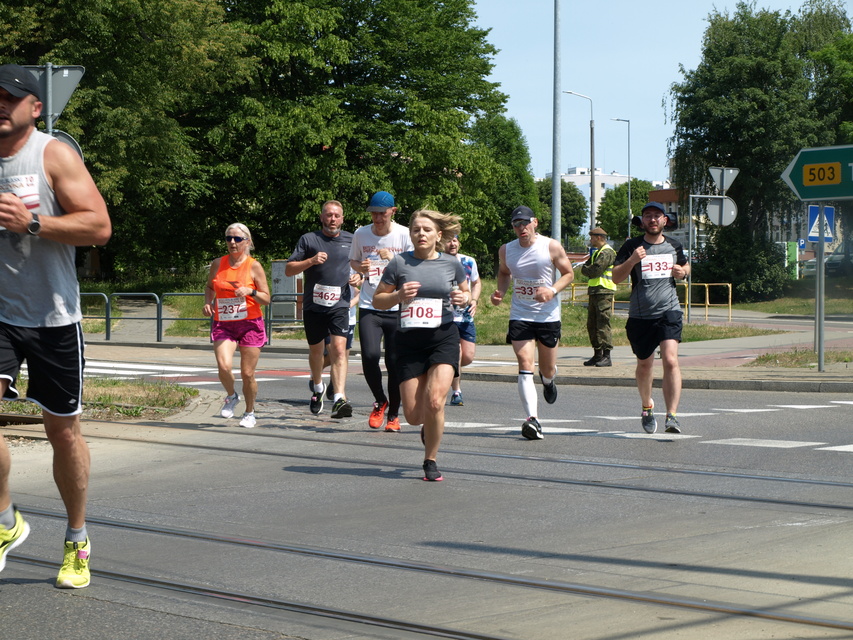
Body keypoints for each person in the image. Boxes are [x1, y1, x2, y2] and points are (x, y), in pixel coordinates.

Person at [0, 63, 111, 588]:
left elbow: (99, 226)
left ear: (35, 107)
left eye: (9, 98)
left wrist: (34, 223)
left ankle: (76, 538)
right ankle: (5, 520)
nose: (0, 105)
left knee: (61, 431)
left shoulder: (52, 154)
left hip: (52, 318)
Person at [373, 209, 470, 481]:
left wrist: (464, 299)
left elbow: (465, 292)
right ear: (410, 234)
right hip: (409, 342)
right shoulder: (399, 263)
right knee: (415, 416)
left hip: (443, 336)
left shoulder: (451, 263)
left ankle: (430, 459)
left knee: (436, 401)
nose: (421, 234)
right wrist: (398, 295)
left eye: (427, 229)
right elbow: (378, 299)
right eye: (416, 230)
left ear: (438, 235)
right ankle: (427, 427)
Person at [490, 206, 574, 441]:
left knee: (546, 369)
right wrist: (500, 292)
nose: (521, 228)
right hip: (521, 314)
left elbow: (568, 274)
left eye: (524, 223)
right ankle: (532, 420)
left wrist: (552, 290)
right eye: (516, 224)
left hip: (547, 316)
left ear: (534, 222)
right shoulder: (507, 250)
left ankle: (548, 380)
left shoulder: (551, 246)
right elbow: (505, 273)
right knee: (525, 361)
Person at [611, 202, 690, 434]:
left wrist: (683, 273)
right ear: (642, 221)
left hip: (669, 310)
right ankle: (647, 406)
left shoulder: (674, 245)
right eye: (648, 216)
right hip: (641, 314)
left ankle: (672, 416)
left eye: (657, 216)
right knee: (645, 365)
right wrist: (632, 260)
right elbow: (615, 278)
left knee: (671, 360)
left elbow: (686, 266)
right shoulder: (631, 246)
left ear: (665, 220)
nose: (653, 220)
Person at [285, 200, 359, 418]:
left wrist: (359, 276)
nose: (332, 219)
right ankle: (318, 387)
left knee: (338, 349)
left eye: (336, 215)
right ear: (321, 217)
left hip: (340, 304)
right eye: (328, 215)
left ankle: (339, 397)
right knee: (317, 352)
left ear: (342, 218)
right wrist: (311, 261)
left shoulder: (352, 240)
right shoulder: (309, 239)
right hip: (314, 305)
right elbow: (289, 269)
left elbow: (361, 265)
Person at [349, 191, 413, 432]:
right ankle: (380, 400)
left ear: (393, 212)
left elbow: (415, 266)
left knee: (394, 362)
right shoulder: (361, 233)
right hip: (370, 304)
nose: (377, 218)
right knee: (369, 356)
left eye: (382, 213)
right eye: (373, 213)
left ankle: (394, 414)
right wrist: (360, 267)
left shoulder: (405, 234)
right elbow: (353, 261)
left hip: (397, 306)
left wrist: (394, 258)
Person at [203, 223, 270, 428]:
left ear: (247, 241)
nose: (232, 242)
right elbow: (209, 286)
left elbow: (266, 298)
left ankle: (250, 412)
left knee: (247, 373)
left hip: (250, 323)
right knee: (223, 366)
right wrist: (208, 302)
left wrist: (249, 292)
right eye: (228, 238)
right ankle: (232, 396)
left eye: (237, 239)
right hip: (224, 323)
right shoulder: (218, 263)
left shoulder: (253, 265)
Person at [444, 233, 481, 405]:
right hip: (445, 317)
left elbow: (477, 282)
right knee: (456, 353)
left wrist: (474, 300)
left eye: (455, 240)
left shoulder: (468, 261)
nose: (452, 244)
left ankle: (447, 372)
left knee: (467, 356)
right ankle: (456, 391)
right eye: (448, 240)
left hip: (465, 316)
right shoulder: (437, 261)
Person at [580, 226, 617, 367]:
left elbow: (594, 270)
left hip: (604, 291)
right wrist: (586, 269)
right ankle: (597, 354)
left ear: (599, 237)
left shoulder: (607, 253)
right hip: (595, 291)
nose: (591, 240)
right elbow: (587, 267)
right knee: (592, 324)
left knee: (602, 323)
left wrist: (586, 269)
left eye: (592, 237)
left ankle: (606, 355)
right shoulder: (597, 252)